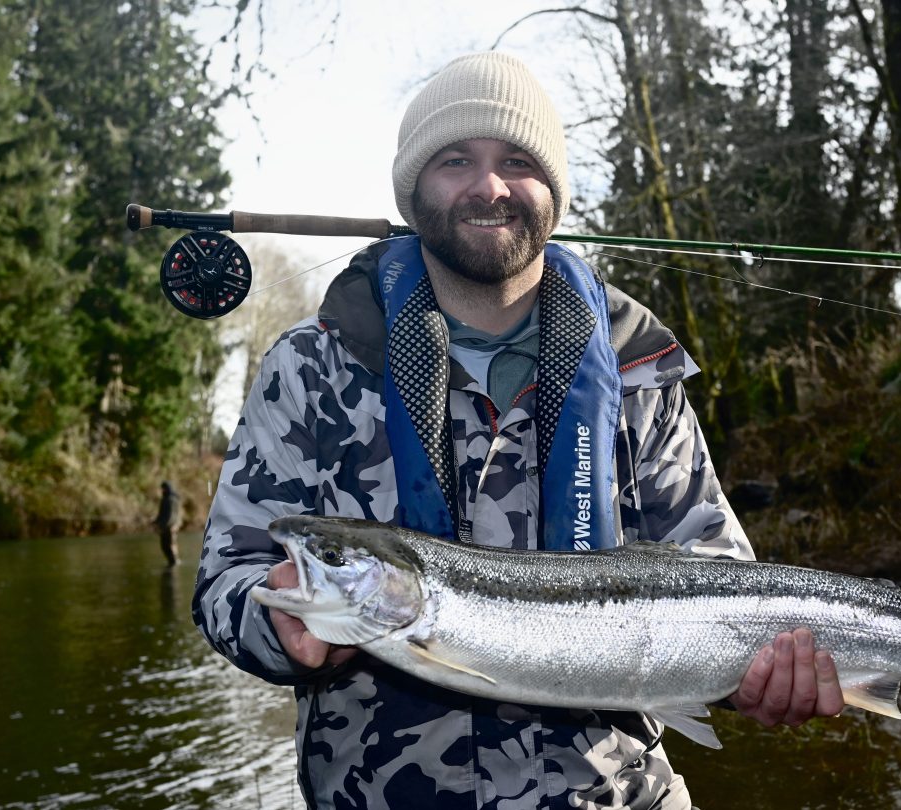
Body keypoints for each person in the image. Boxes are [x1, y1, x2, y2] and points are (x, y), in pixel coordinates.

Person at [193, 51, 842, 809]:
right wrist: (280, 629)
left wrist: (754, 679)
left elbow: (722, 578)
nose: (489, 186)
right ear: (414, 191)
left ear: (553, 192)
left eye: (518, 162)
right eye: (456, 159)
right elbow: (226, 579)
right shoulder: (312, 365)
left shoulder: (639, 367)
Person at [155, 480, 182, 566]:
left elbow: (172, 516)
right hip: (165, 527)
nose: (162, 490)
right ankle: (171, 562)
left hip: (171, 527)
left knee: (171, 545)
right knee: (164, 546)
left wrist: (161, 526)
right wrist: (155, 522)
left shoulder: (172, 500)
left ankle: (174, 562)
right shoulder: (164, 499)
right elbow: (161, 514)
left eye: (163, 488)